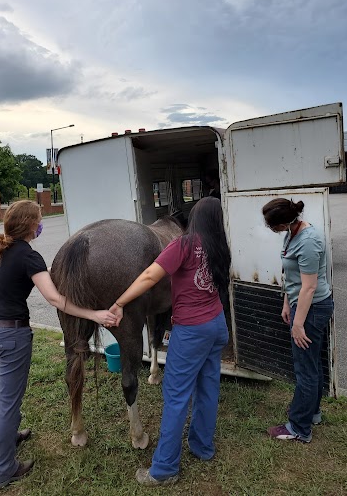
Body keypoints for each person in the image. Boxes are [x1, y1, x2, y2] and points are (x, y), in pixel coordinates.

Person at [0, 200, 117, 490]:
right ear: (31, 225)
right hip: (11, 338)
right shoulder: (29, 257)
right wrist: (94, 314)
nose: (42, 223)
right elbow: (56, 299)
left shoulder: (1, 249)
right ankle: (3, 469)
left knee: (0, 393)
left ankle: (11, 435)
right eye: (40, 219)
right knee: (8, 402)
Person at [110, 196, 231, 486]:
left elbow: (151, 275)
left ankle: (164, 469)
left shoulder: (184, 245)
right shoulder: (220, 247)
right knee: (208, 387)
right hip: (217, 326)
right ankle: (202, 447)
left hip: (192, 332)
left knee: (176, 397)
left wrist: (119, 302)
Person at [262, 198, 334, 444]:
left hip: (311, 308)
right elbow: (289, 275)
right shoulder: (291, 234)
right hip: (300, 305)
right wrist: (286, 303)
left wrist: (298, 323)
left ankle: (299, 427)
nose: (271, 230)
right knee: (311, 363)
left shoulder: (309, 240)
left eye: (272, 226)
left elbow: (309, 287)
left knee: (305, 368)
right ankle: (311, 413)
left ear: (283, 223)